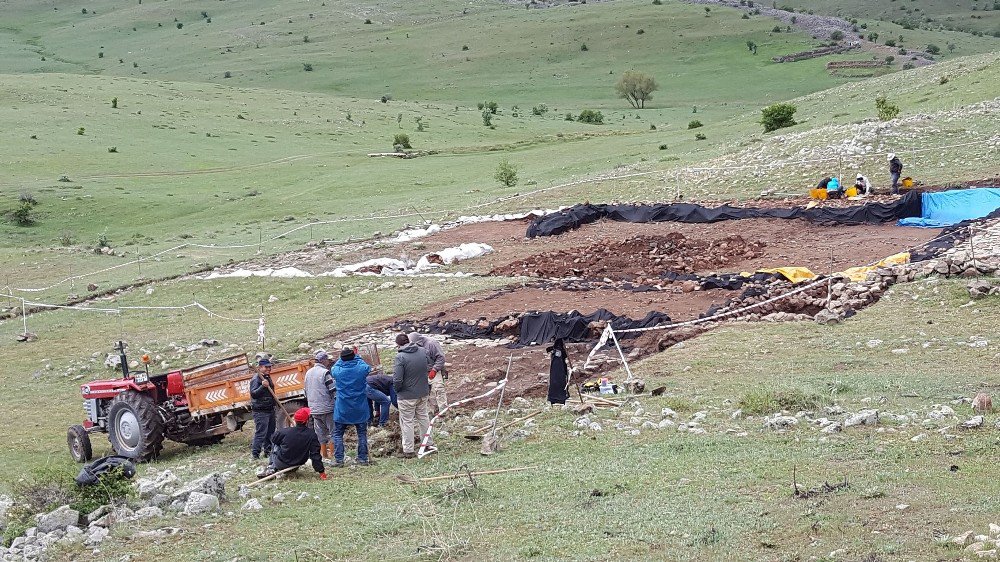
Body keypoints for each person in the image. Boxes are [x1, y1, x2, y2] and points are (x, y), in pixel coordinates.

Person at [393, 333, 434, 459]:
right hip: (423, 391)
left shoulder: (400, 357)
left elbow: (398, 379)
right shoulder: (422, 351)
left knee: (407, 422)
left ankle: (409, 450)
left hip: (406, 395)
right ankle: (428, 444)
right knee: (423, 418)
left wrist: (397, 390)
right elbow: (429, 365)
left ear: (398, 344)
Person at [332, 347, 371, 467]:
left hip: (343, 408)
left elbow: (335, 365)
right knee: (362, 433)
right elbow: (366, 366)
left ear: (342, 359)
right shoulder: (361, 369)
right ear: (354, 357)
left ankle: (339, 459)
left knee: (338, 434)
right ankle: (363, 458)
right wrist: (356, 355)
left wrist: (341, 358)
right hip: (360, 407)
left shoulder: (337, 371)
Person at [261, 407, 326, 479]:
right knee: (279, 441)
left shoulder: (284, 432)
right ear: (306, 421)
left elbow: (273, 439)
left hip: (281, 464)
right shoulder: (312, 435)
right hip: (299, 462)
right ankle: (272, 467)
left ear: (294, 420)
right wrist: (321, 472)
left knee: (275, 442)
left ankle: (271, 467)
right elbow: (315, 455)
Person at [304, 350, 335, 462]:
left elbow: (305, 391)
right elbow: (332, 389)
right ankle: (333, 455)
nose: (328, 362)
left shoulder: (308, 373)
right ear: (323, 360)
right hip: (327, 408)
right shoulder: (325, 372)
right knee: (333, 431)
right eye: (327, 360)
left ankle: (324, 455)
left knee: (320, 433)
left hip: (314, 409)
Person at [408, 332, 448, 413]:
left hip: (434, 369)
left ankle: (444, 411)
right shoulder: (411, 346)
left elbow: (441, 358)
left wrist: (434, 370)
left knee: (438, 388)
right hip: (421, 372)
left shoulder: (431, 344)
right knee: (427, 393)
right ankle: (433, 411)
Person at [249, 357, 277, 460]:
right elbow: (254, 394)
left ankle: (268, 451)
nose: (269, 369)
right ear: (260, 367)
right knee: (261, 433)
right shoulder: (256, 379)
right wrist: (262, 386)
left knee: (270, 432)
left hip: (270, 409)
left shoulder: (267, 377)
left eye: (270, 367)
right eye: (266, 367)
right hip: (260, 411)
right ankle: (255, 455)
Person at [546, 338, 573, 405]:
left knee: (559, 382)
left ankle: (558, 398)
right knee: (558, 382)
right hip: (558, 372)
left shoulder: (556, 352)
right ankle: (558, 398)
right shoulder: (557, 353)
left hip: (559, 371)